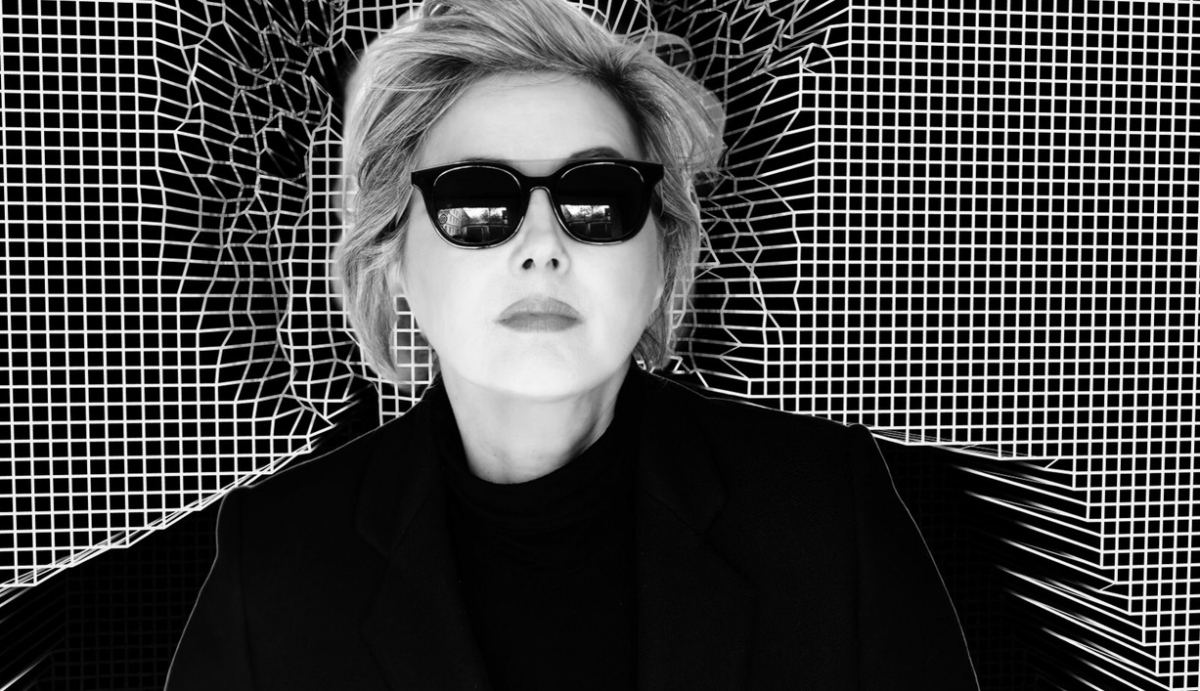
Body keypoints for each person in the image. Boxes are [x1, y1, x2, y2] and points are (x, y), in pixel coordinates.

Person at [166, 0, 980, 689]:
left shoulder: (827, 515)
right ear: (394, 258)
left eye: (597, 198)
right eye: (476, 202)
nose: (542, 246)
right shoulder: (274, 563)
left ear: (664, 255)